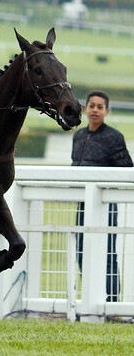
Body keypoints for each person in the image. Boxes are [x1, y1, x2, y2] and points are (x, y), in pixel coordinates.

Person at [72, 90, 133, 302]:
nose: (95, 110)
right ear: (85, 109)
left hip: (107, 208)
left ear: (106, 111)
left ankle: (112, 303)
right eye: (92, 106)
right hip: (82, 206)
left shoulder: (115, 137)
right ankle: (89, 299)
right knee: (81, 253)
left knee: (107, 255)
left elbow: (127, 170)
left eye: (100, 107)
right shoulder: (78, 135)